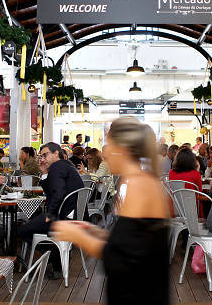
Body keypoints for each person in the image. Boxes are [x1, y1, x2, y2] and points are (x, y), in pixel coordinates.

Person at [51, 116, 169, 305]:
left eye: (109, 147)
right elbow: (134, 241)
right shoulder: (138, 181)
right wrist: (94, 232)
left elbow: (119, 257)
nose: (105, 155)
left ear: (121, 151)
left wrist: (77, 236)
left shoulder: (138, 186)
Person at [18, 142, 85, 278]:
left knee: (22, 231)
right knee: (38, 227)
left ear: (56, 153)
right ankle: (57, 255)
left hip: (63, 216)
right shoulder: (65, 166)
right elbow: (53, 192)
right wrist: (44, 172)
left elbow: (58, 193)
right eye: (41, 156)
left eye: (45, 155)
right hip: (74, 215)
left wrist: (51, 214)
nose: (43, 158)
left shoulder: (57, 167)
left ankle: (55, 256)